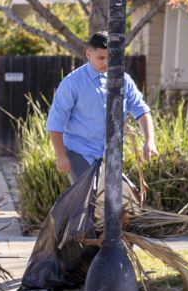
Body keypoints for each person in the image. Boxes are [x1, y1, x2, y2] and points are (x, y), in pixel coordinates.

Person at [46, 31, 158, 183]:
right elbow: (55, 121)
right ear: (88, 54)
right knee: (87, 194)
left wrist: (149, 140)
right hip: (79, 151)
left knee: (111, 197)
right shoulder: (72, 83)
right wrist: (61, 155)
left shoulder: (123, 81)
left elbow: (141, 109)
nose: (106, 62)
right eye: (101, 58)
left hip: (111, 154)